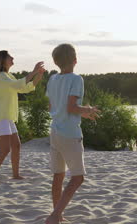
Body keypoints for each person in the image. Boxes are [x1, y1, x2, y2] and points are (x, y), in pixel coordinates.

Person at [45, 44, 100, 224]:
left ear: (55, 61)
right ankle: (55, 216)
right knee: (77, 177)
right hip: (70, 133)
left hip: (55, 131)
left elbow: (53, 107)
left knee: (58, 175)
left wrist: (81, 112)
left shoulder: (52, 79)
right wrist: (88, 109)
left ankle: (58, 214)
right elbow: (71, 107)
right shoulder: (77, 79)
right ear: (75, 60)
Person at [0, 51, 45, 185]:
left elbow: (23, 88)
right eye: (9, 57)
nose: (12, 58)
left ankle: (16, 175)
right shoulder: (1, 77)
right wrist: (34, 71)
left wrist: (38, 77)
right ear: (3, 60)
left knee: (16, 146)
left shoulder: (8, 76)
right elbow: (19, 84)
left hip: (8, 117)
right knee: (5, 149)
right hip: (1, 117)